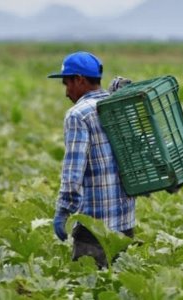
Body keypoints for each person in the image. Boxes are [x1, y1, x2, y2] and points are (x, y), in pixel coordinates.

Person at [48, 51, 136, 268]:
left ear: (79, 79)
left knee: (88, 287)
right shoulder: (116, 105)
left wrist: (64, 210)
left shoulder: (78, 115)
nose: (66, 92)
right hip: (125, 224)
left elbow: (73, 171)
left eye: (67, 83)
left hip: (93, 228)